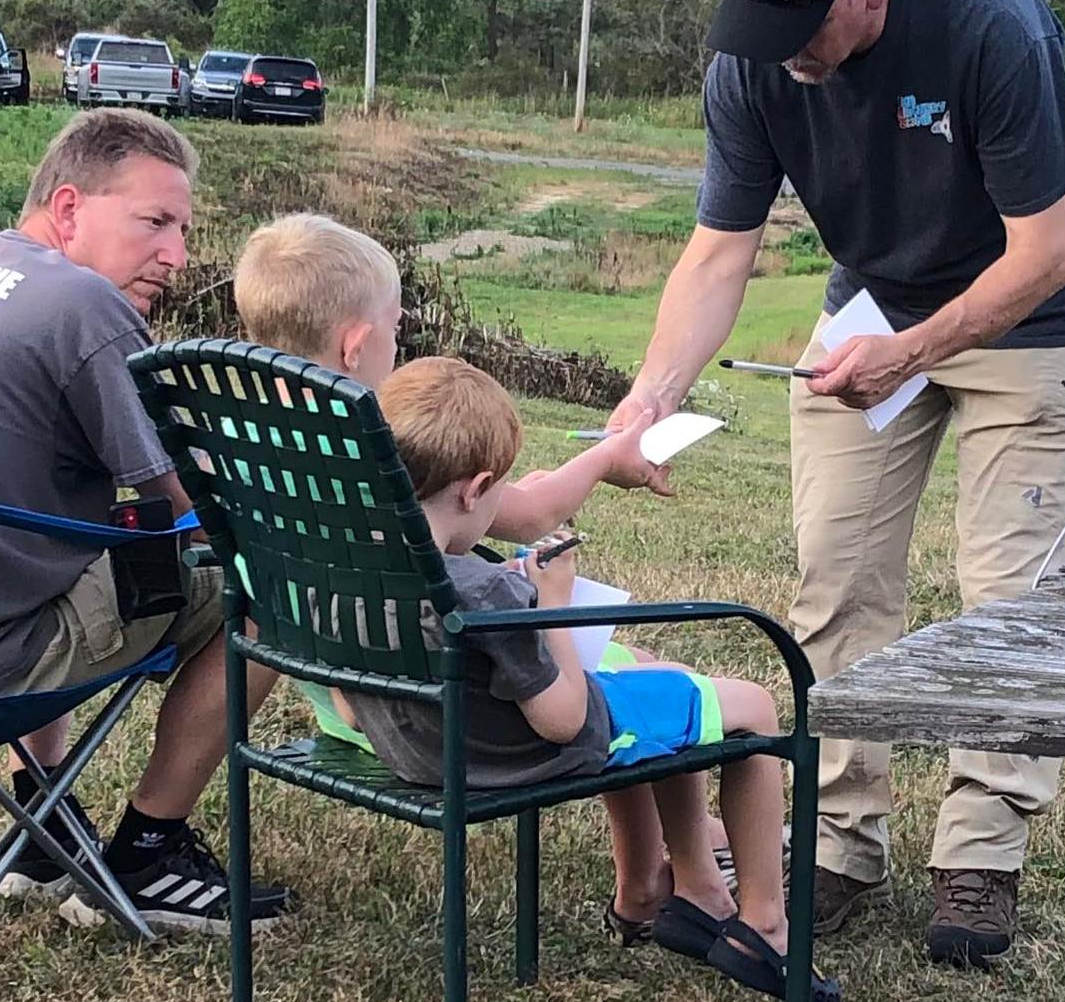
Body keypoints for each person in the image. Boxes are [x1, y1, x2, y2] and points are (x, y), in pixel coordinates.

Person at [607, 0, 1065, 969]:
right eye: (760, 29)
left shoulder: (987, 26)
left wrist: (914, 352)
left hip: (1034, 318)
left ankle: (982, 858)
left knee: (1007, 602)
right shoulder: (755, 58)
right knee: (835, 573)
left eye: (802, 26)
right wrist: (649, 395)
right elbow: (720, 250)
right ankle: (839, 838)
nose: (785, 53)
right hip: (869, 312)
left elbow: (1048, 249)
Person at [232, 212, 793, 933]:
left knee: (631, 661)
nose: (400, 345)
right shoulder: (373, 462)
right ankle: (749, 915)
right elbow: (525, 524)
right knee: (638, 679)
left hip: (358, 700)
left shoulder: (244, 450)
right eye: (397, 329)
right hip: (450, 716)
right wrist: (597, 477)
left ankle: (661, 879)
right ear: (356, 344)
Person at [334, 355, 839, 1000]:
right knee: (752, 706)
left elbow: (351, 709)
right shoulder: (485, 592)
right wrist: (554, 603)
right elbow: (565, 717)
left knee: (673, 685)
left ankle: (689, 891)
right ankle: (764, 926)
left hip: (418, 748)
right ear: (475, 487)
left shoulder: (353, 568)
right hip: (517, 755)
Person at [0, 108, 293, 934]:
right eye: (155, 222)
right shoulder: (83, 305)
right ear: (68, 207)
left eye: (185, 229)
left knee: (62, 542)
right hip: (2, 666)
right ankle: (149, 853)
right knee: (276, 591)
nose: (178, 255)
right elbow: (184, 506)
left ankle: (43, 826)